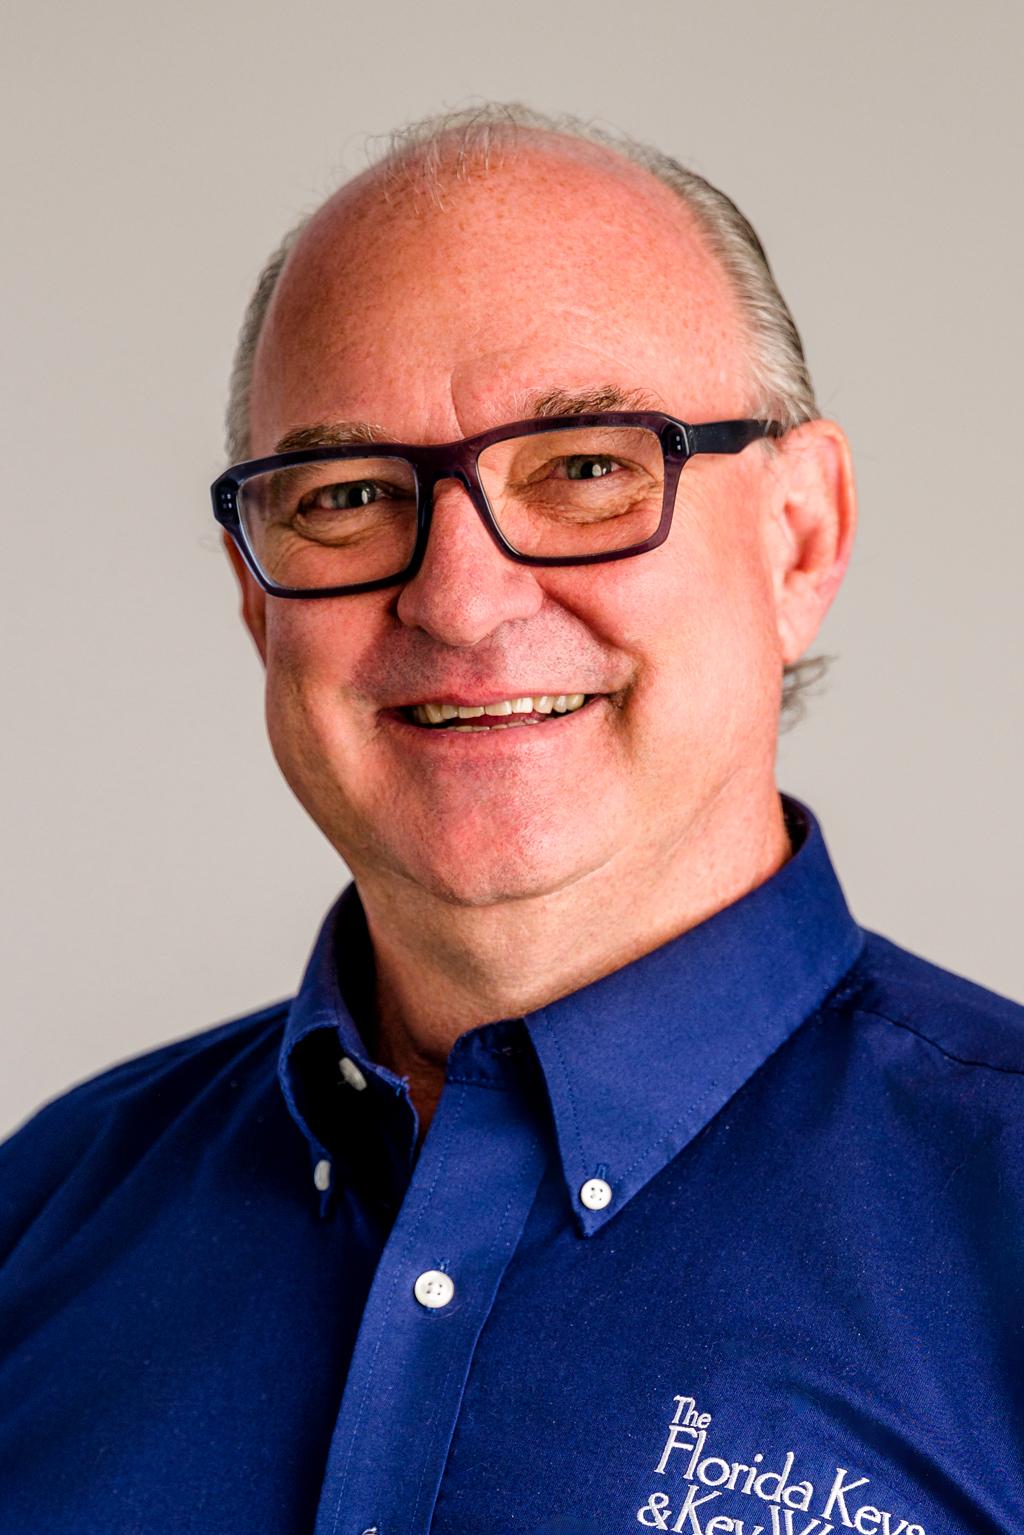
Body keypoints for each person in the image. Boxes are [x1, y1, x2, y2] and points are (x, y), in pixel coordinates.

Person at [0, 104, 1020, 1535]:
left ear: (802, 534)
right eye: (350, 497)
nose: (463, 598)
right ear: (255, 596)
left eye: (589, 466)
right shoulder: (41, 1218)